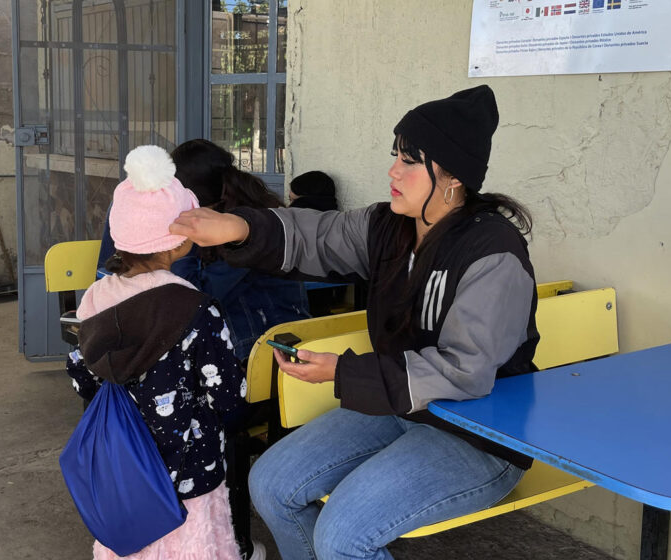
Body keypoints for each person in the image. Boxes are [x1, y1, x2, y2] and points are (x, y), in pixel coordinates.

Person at [169, 85, 538, 559]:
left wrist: (341, 373)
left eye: (409, 161)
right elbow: (317, 235)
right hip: (400, 408)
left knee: (342, 535)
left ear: (452, 176)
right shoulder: (388, 226)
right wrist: (241, 227)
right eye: (395, 155)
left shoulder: (493, 252)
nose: (392, 170)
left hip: (479, 433)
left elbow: (463, 371)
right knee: (271, 484)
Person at [66, 145, 247, 559]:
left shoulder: (95, 298)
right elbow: (228, 397)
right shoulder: (195, 308)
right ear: (178, 240)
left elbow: (80, 373)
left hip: (123, 466)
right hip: (190, 470)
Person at [97, 139, 310, 362]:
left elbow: (191, 295)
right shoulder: (234, 213)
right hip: (260, 344)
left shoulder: (245, 233)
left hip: (264, 354)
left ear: (194, 200)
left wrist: (181, 234)